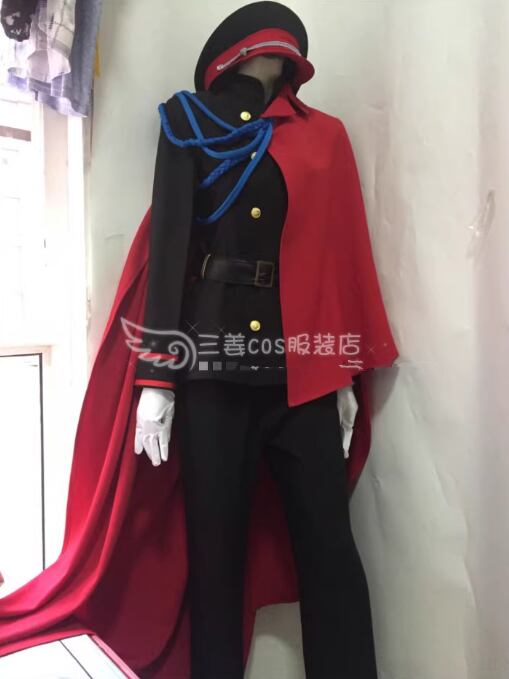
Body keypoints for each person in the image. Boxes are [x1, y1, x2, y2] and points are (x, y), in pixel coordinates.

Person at [133, 2, 398, 677]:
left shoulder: (324, 137)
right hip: (212, 369)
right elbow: (169, 251)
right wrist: (157, 379)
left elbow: (339, 259)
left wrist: (343, 373)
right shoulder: (189, 122)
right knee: (214, 559)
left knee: (330, 553)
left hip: (302, 374)